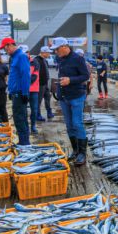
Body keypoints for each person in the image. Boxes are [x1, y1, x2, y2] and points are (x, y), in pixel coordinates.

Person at [51, 37, 90, 166]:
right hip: (64, 97)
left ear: (64, 47)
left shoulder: (78, 58)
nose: (56, 52)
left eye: (57, 49)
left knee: (77, 123)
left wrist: (70, 80)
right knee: (69, 125)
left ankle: (82, 153)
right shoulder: (59, 59)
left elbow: (85, 76)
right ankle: (75, 150)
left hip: (76, 96)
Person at [0, 37, 31, 146]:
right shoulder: (15, 57)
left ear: (10, 45)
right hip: (15, 93)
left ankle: (24, 143)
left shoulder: (21, 56)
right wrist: (10, 91)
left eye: (6, 48)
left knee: (19, 119)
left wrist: (25, 93)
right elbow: (14, 76)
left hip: (19, 93)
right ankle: (24, 141)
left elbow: (25, 75)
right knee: (20, 118)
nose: (5, 50)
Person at [33, 46, 54, 121]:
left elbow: (46, 71)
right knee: (38, 100)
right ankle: (37, 115)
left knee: (48, 97)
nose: (49, 54)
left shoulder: (45, 60)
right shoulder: (36, 60)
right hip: (40, 84)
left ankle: (49, 112)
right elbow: (35, 73)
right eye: (48, 53)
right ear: (43, 52)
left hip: (45, 83)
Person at [29, 52, 41, 133]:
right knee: (22, 110)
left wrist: (23, 82)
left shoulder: (34, 62)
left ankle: (33, 126)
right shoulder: (19, 61)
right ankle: (25, 127)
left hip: (33, 90)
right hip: (22, 90)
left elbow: (34, 77)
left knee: (34, 109)